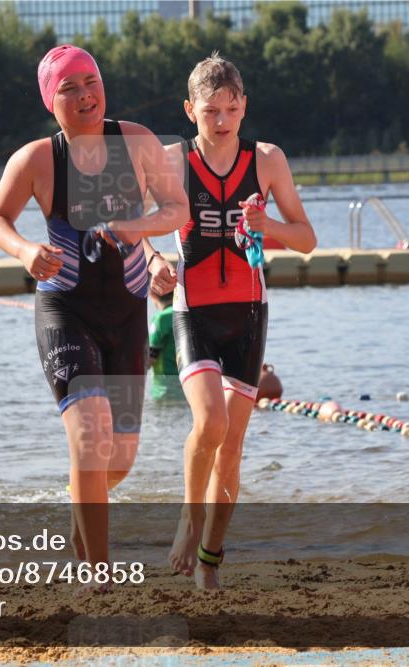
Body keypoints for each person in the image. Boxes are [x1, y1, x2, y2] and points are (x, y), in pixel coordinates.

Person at [0, 45, 188, 571]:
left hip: (127, 312)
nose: (83, 95)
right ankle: (97, 571)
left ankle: (81, 500)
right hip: (65, 311)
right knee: (90, 438)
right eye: (68, 88)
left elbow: (176, 207)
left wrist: (142, 235)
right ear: (50, 101)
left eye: (90, 82)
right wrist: (25, 251)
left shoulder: (137, 141)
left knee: (118, 459)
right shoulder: (35, 159)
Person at [149, 54, 317, 589]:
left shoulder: (267, 160)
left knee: (233, 445)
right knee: (210, 424)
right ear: (189, 110)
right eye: (210, 111)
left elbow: (307, 239)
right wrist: (152, 262)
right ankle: (188, 517)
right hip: (193, 311)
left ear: (244, 106)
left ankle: (210, 559)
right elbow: (130, 227)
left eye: (231, 109)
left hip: (248, 313)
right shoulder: (172, 161)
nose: (221, 121)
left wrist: (269, 225)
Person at [148, 287, 182, 401]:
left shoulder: (161, 319)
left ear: (152, 294)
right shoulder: (187, 314)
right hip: (189, 388)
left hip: (165, 390)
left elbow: (150, 359)